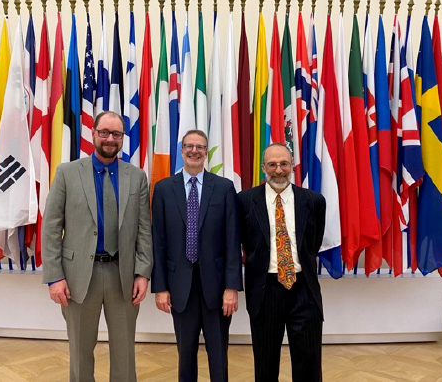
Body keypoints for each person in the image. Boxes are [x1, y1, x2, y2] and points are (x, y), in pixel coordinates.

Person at [42, 111, 153, 382]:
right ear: (93, 134)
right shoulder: (67, 173)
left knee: (125, 353)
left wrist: (142, 272)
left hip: (122, 275)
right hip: (79, 276)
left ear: (123, 139)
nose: (110, 139)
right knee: (80, 351)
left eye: (116, 134)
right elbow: (51, 227)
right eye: (104, 132)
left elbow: (143, 229)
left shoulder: (136, 176)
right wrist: (55, 277)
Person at [151, 130, 242, 382]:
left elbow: (232, 241)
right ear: (181, 151)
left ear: (206, 153)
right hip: (180, 287)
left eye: (200, 147)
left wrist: (232, 287)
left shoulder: (224, 188)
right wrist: (160, 288)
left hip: (217, 288)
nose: (194, 151)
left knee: (218, 356)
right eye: (189, 146)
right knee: (186, 356)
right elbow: (158, 241)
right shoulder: (163, 189)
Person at [238, 143, 326, 382]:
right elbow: (243, 243)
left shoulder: (314, 201)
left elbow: (313, 244)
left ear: (292, 166)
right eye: (272, 164)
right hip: (265, 291)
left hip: (304, 290)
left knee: (308, 364)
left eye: (284, 164)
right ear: (263, 167)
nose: (279, 170)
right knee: (265, 364)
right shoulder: (245, 201)